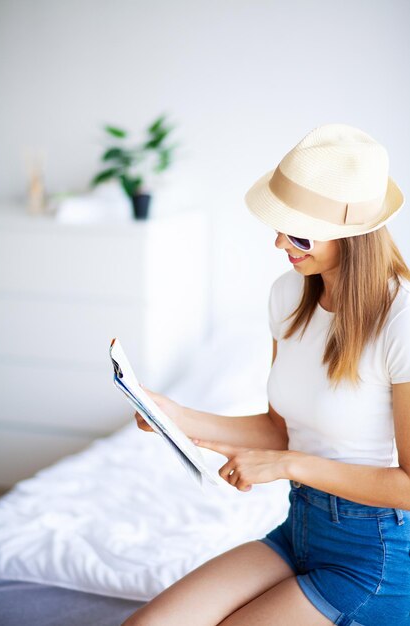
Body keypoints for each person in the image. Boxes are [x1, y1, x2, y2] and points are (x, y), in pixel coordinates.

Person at [121, 123, 410, 626]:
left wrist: (286, 465)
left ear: (352, 235)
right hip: (300, 529)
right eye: (279, 226)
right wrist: (174, 415)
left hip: (378, 553)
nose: (280, 242)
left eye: (298, 232)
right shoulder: (288, 296)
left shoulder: (401, 319)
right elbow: (279, 431)